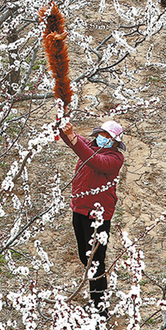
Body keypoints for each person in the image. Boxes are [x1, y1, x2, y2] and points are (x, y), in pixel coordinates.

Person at [60, 119, 125, 318]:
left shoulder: (115, 159)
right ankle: (95, 298)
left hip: (97, 215)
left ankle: (99, 308)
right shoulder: (90, 146)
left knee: (96, 261)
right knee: (84, 256)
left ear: (115, 142)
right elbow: (69, 137)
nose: (103, 139)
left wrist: (72, 137)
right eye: (102, 134)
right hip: (79, 209)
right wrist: (62, 120)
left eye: (108, 137)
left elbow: (94, 161)